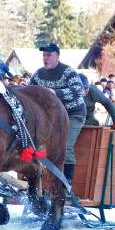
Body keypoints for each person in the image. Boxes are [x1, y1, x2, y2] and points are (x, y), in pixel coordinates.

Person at [30, 43, 86, 185]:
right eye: (44, 55)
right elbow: (29, 92)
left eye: (49, 55)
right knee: (39, 145)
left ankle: (66, 183)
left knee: (64, 146)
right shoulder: (38, 74)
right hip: (52, 116)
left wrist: (56, 93)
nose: (45, 58)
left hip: (73, 114)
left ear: (57, 57)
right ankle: (39, 181)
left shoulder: (67, 71)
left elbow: (78, 90)